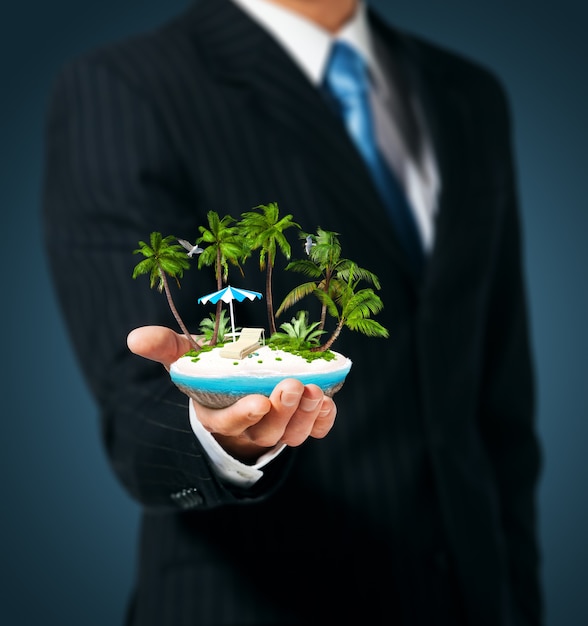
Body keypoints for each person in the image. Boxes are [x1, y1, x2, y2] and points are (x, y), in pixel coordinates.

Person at [42, 0, 543, 624]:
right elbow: (138, 409)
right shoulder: (125, 88)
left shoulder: (469, 94)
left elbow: (501, 412)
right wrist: (219, 434)